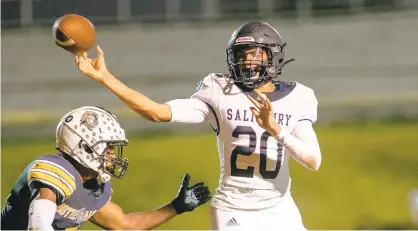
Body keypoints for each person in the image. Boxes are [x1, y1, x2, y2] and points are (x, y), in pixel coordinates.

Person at [74, 21, 322, 230]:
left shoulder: (299, 97)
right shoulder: (218, 90)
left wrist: (274, 129)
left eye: (255, 53)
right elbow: (157, 112)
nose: (247, 62)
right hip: (234, 210)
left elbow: (313, 160)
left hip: (280, 207)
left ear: (273, 55)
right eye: (241, 54)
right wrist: (106, 78)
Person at [1, 106, 211, 230]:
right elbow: (38, 221)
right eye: (108, 148)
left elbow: (124, 224)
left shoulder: (92, 188)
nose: (113, 155)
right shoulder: (57, 170)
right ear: (84, 146)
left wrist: (175, 206)